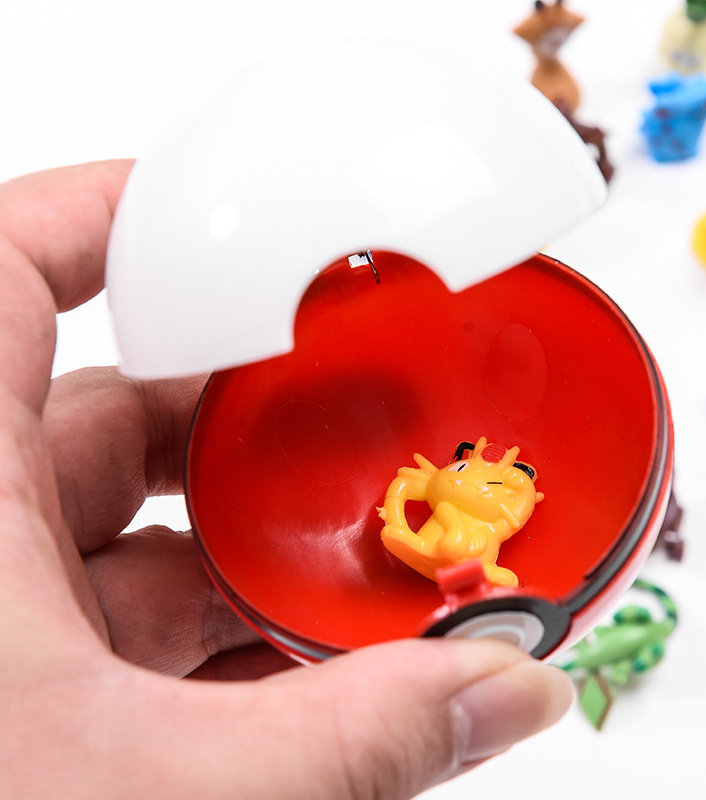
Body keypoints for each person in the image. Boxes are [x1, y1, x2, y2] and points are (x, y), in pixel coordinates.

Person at [0, 160, 573, 799]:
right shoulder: (451, 505)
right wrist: (410, 507)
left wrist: (420, 505)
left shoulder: (475, 507)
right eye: (473, 467)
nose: (488, 479)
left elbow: (447, 509)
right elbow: (423, 511)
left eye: (505, 479)